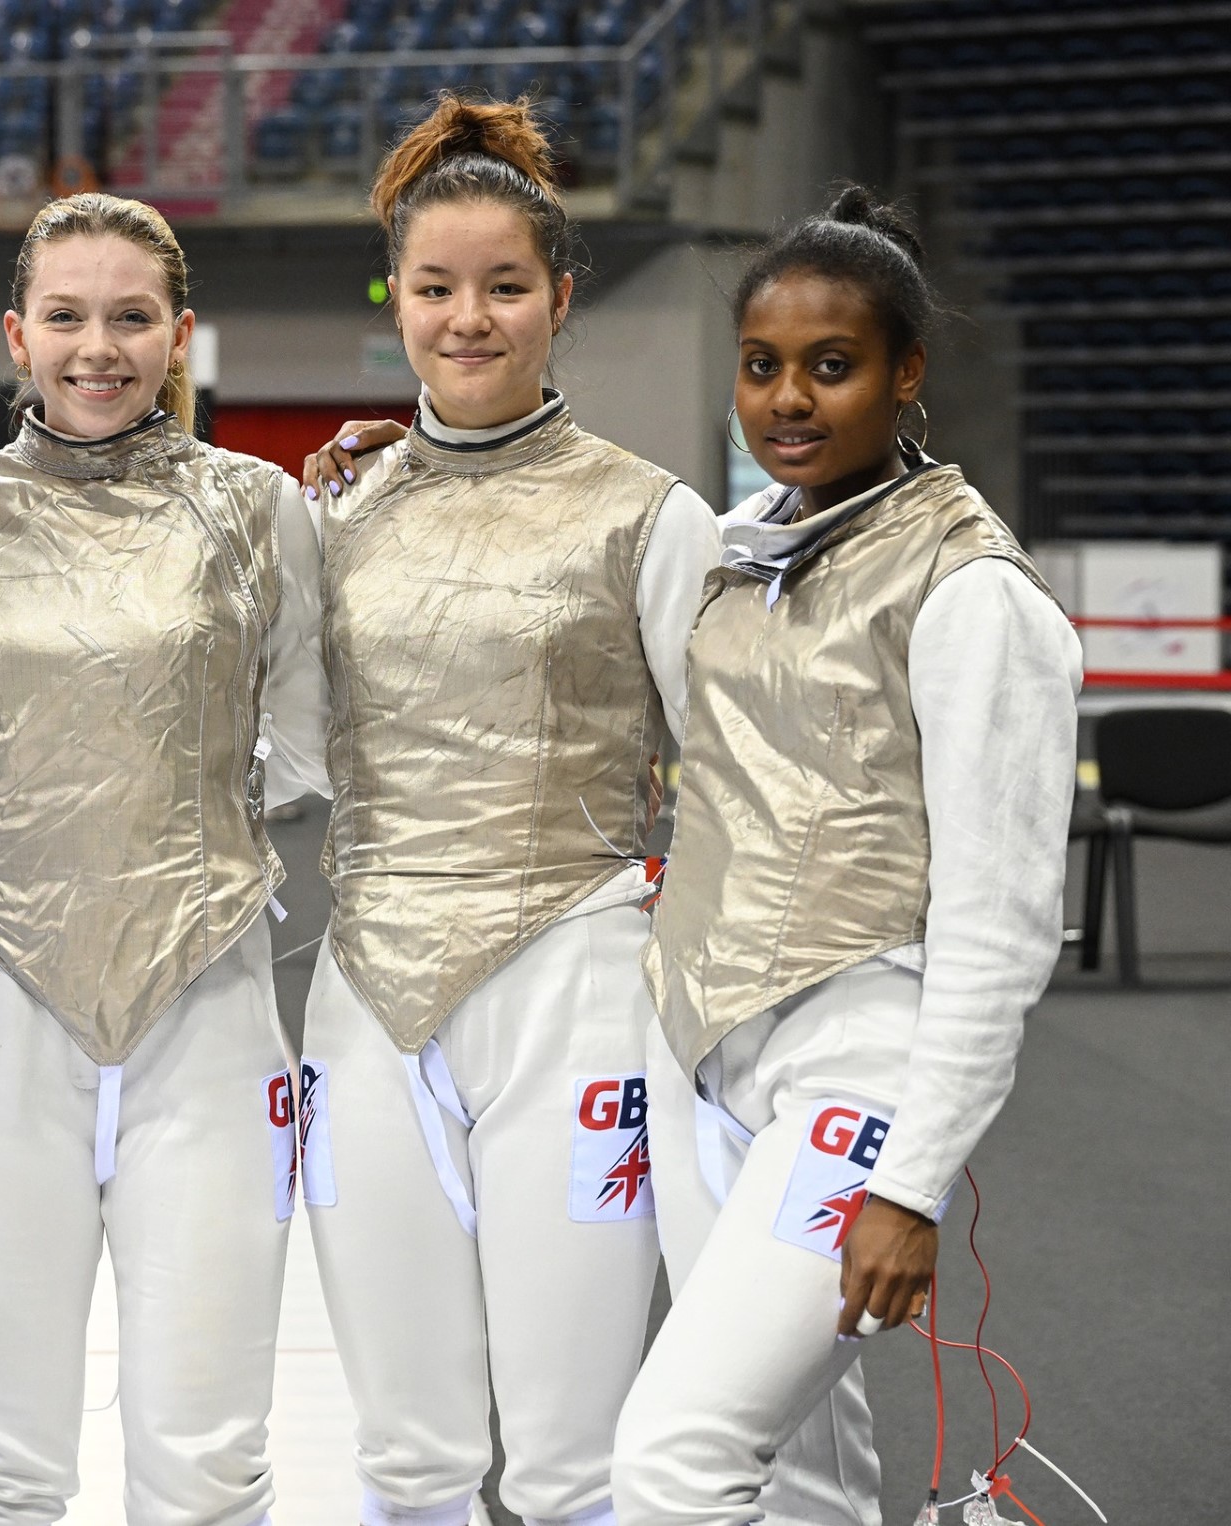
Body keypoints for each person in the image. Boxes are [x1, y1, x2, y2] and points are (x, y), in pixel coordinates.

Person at [609, 187, 1082, 1525]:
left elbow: (998, 929)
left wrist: (912, 1182)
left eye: (833, 365)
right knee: (799, 1475)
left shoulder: (974, 590)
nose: (790, 399)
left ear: (907, 372)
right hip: (699, 1051)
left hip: (852, 1066)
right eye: (764, 366)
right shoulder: (748, 548)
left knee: (671, 1460)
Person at [294, 95, 722, 1526]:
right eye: (434, 287)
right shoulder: (338, 510)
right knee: (406, 1455)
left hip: (577, 989)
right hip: (364, 1004)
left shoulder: (652, 517)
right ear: (395, 297)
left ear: (560, 297)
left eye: (503, 286)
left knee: (566, 1461)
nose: (466, 318)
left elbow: (734, 775)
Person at [0, 191, 330, 1526]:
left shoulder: (261, 508)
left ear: (181, 333)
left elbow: (302, 742)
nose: (99, 347)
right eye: (66, 317)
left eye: (132, 317)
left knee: (207, 1460)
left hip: (211, 1007)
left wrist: (177, 813)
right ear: (17, 333)